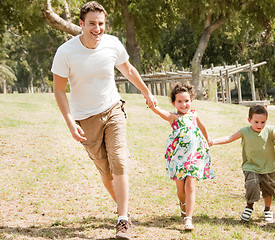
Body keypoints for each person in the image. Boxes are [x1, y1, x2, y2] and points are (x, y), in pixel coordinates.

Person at [51, 1, 157, 239]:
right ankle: (125, 211)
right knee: (106, 171)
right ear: (81, 24)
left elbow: (128, 69)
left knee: (118, 160)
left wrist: (146, 92)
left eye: (101, 24)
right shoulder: (66, 52)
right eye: (92, 24)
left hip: (113, 108)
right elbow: (59, 91)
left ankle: (122, 220)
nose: (97, 29)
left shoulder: (112, 44)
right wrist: (70, 124)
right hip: (85, 119)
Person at [149, 83, 215, 231]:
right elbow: (158, 111)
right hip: (177, 157)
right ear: (173, 103)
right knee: (181, 190)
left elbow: (202, 127)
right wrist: (151, 104)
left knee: (190, 185)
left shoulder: (194, 115)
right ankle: (183, 204)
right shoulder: (173, 117)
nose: (183, 104)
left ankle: (188, 219)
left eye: (186, 101)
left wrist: (208, 139)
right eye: (179, 101)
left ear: (191, 101)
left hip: (193, 155)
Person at [212, 105, 275, 223]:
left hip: (268, 167)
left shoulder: (269, 130)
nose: (259, 125)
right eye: (256, 122)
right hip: (251, 166)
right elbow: (229, 138)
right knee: (251, 184)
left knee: (268, 189)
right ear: (249, 120)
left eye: (262, 122)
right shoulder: (244, 131)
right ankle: (249, 206)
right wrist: (212, 142)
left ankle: (267, 210)